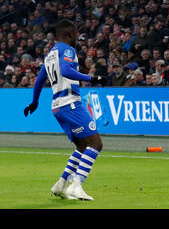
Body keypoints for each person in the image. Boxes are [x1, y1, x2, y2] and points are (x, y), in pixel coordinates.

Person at [23, 19, 107, 201]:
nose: (78, 38)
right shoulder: (67, 49)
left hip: (57, 107)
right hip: (70, 103)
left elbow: (39, 81)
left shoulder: (51, 54)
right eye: (76, 34)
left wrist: (34, 102)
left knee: (82, 146)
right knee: (96, 144)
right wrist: (93, 78)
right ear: (69, 33)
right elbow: (67, 70)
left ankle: (61, 185)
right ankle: (76, 186)